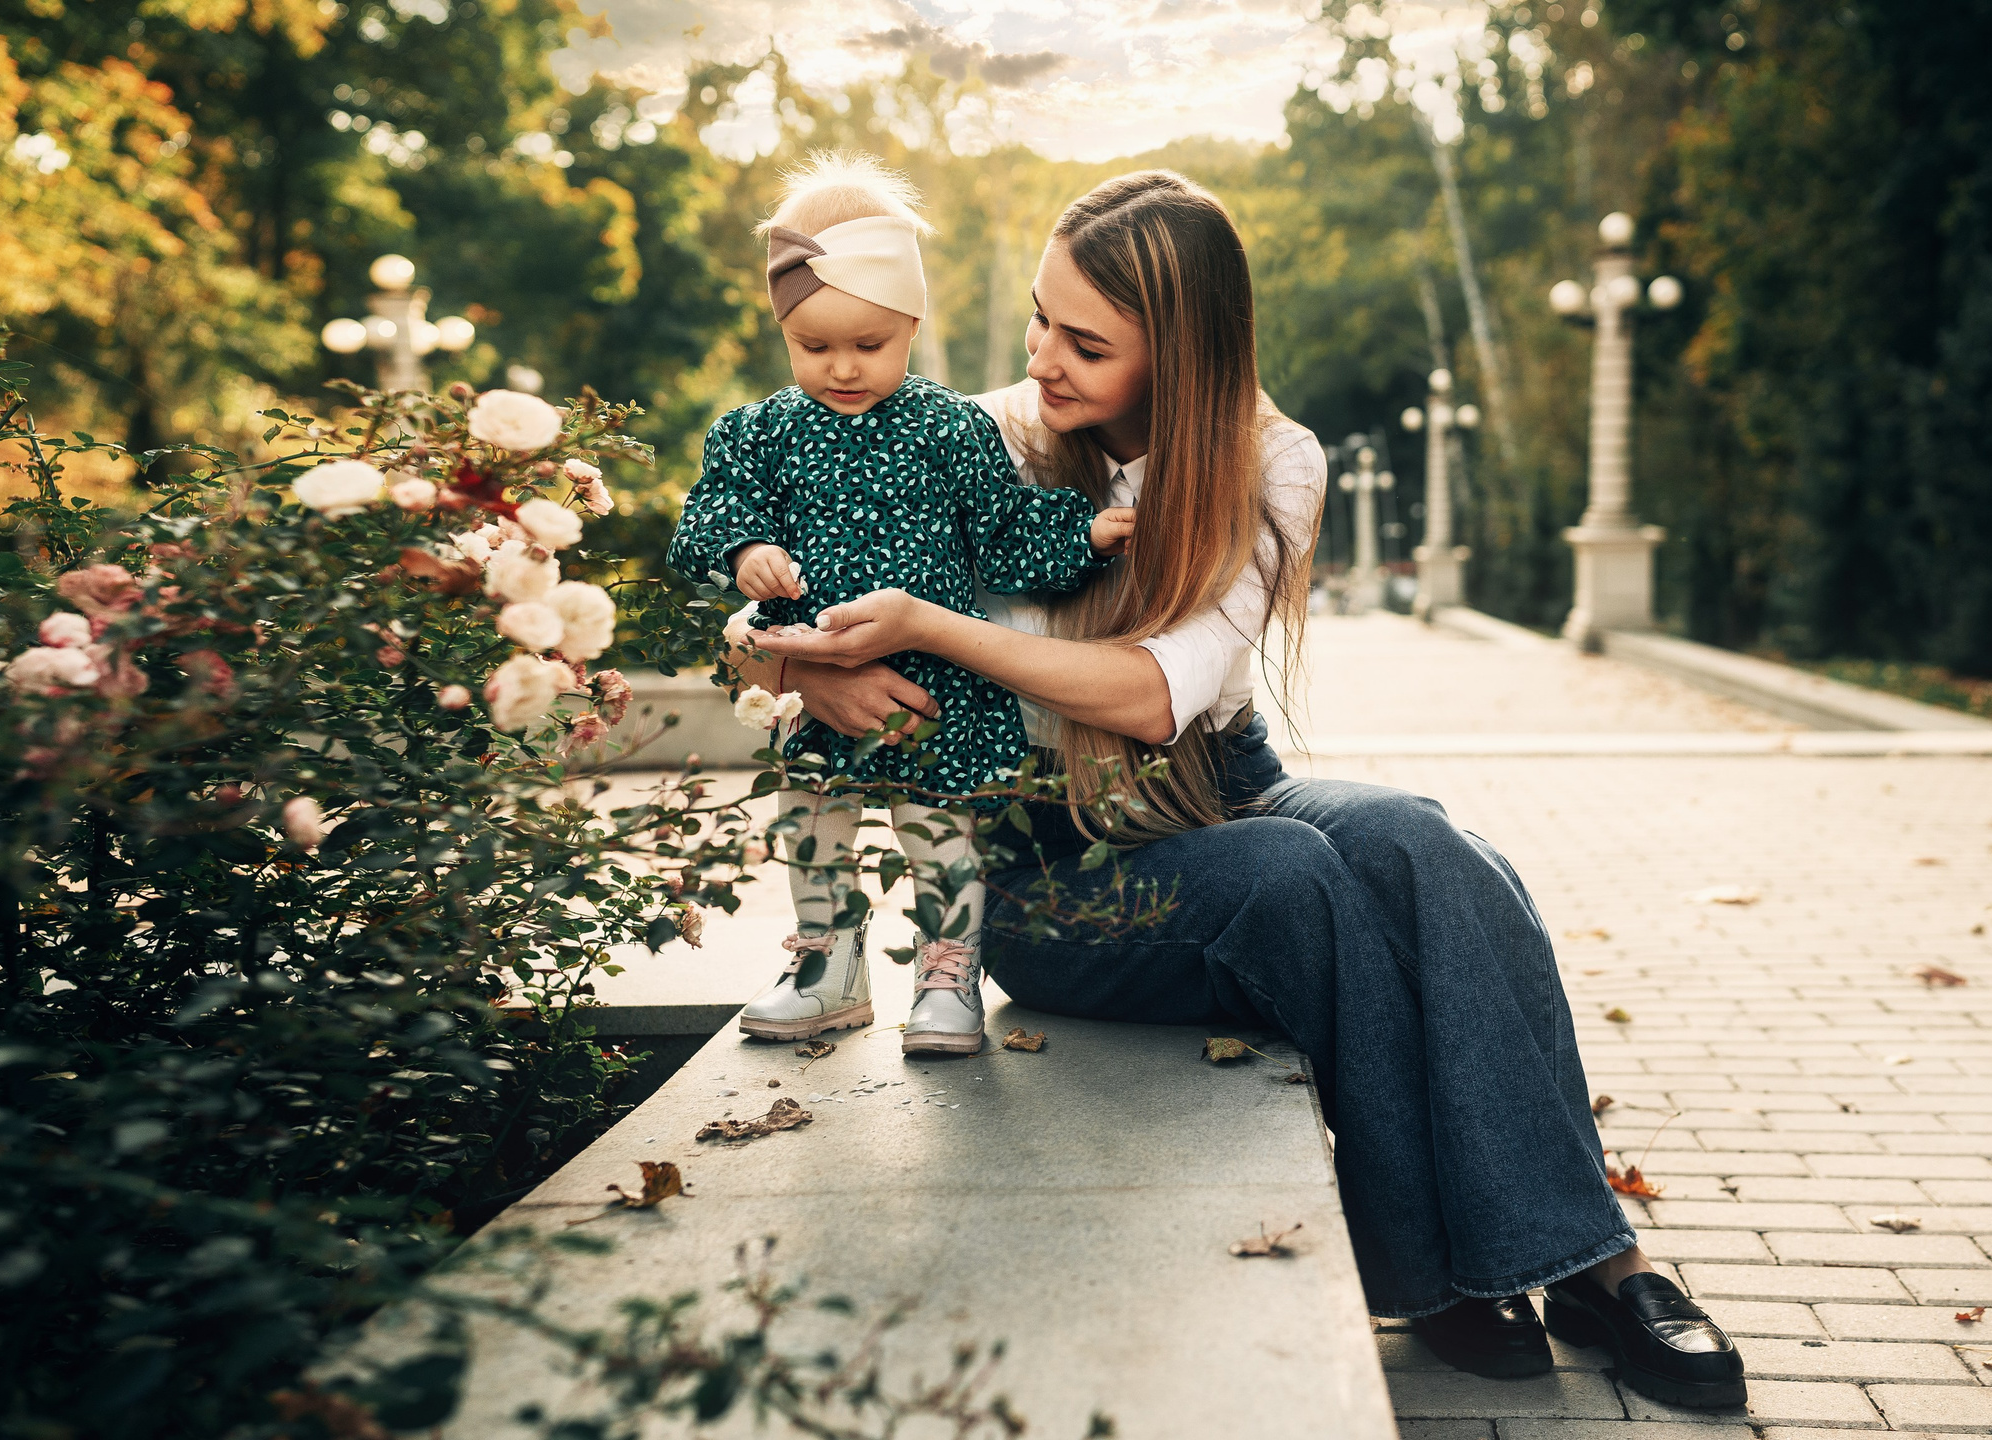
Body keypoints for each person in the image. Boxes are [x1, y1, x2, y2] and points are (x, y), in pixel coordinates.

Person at [738, 170, 1748, 1408]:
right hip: (1049, 865)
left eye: (1088, 342)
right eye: (1040, 320)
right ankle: (1433, 1275)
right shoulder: (973, 434)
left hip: (1217, 784)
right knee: (1293, 874)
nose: (1045, 358)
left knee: (1432, 846)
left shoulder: (1272, 461)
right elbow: (766, 591)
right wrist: (792, 661)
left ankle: (1596, 1263)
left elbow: (1164, 691)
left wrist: (937, 628)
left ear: (1184, 354)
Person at [668, 154, 1134, 1056]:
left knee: (937, 825)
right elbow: (710, 511)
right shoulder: (761, 431)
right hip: (815, 679)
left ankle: (947, 973)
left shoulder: (950, 426)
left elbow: (1001, 533)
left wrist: (1082, 535)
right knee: (808, 815)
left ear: (911, 324)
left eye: (869, 344)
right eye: (814, 346)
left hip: (937, 682)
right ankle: (826, 968)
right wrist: (748, 550)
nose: (842, 367)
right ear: (783, 332)